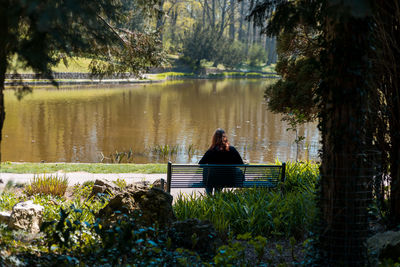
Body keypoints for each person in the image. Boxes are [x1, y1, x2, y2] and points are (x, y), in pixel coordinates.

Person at [199, 128, 244, 194]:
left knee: (207, 171)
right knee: (220, 177)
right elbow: (241, 163)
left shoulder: (211, 151)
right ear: (225, 138)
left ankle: (209, 197)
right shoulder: (232, 149)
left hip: (212, 180)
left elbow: (201, 164)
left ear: (214, 139)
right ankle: (217, 196)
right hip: (228, 180)